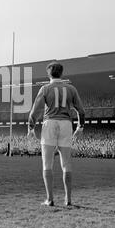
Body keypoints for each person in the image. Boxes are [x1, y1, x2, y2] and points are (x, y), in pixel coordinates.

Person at [28, 62, 85, 207]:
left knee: (47, 163)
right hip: (66, 124)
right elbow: (81, 111)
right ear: (62, 73)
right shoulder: (71, 88)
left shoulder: (45, 88)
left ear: (49, 74)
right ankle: (68, 199)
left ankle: (50, 199)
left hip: (50, 123)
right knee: (66, 164)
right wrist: (80, 126)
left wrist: (31, 127)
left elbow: (36, 111)